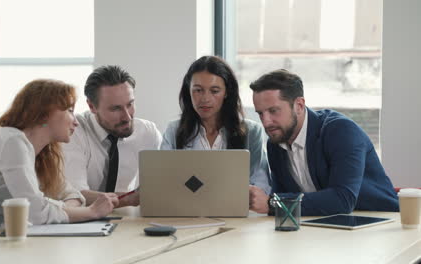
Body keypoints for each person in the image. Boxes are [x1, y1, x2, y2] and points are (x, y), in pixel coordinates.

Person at [0, 79, 118, 239]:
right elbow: (35, 212)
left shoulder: (44, 151)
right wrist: (91, 212)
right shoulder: (13, 142)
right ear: (44, 114)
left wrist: (58, 210)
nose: (76, 122)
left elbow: (71, 194)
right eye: (69, 110)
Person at [248, 69, 399, 216]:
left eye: (273, 111)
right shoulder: (275, 143)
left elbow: (343, 199)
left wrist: (272, 203)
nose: (266, 122)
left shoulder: (340, 131)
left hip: (378, 221)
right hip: (321, 227)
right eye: (260, 113)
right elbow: (282, 198)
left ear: (299, 105)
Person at [161, 56, 271, 197]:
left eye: (214, 91)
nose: (205, 99)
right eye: (198, 90)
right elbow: (164, 180)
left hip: (236, 213)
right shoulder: (174, 130)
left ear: (226, 93)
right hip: (186, 212)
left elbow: (261, 185)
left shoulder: (252, 132)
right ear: (189, 92)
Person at [63, 65, 162, 208]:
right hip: (81, 220)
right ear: (92, 107)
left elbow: (157, 187)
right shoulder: (73, 132)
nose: (127, 117)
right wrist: (129, 199)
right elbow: (75, 194)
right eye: (115, 108)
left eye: (130, 104)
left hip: (127, 220)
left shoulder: (148, 133)